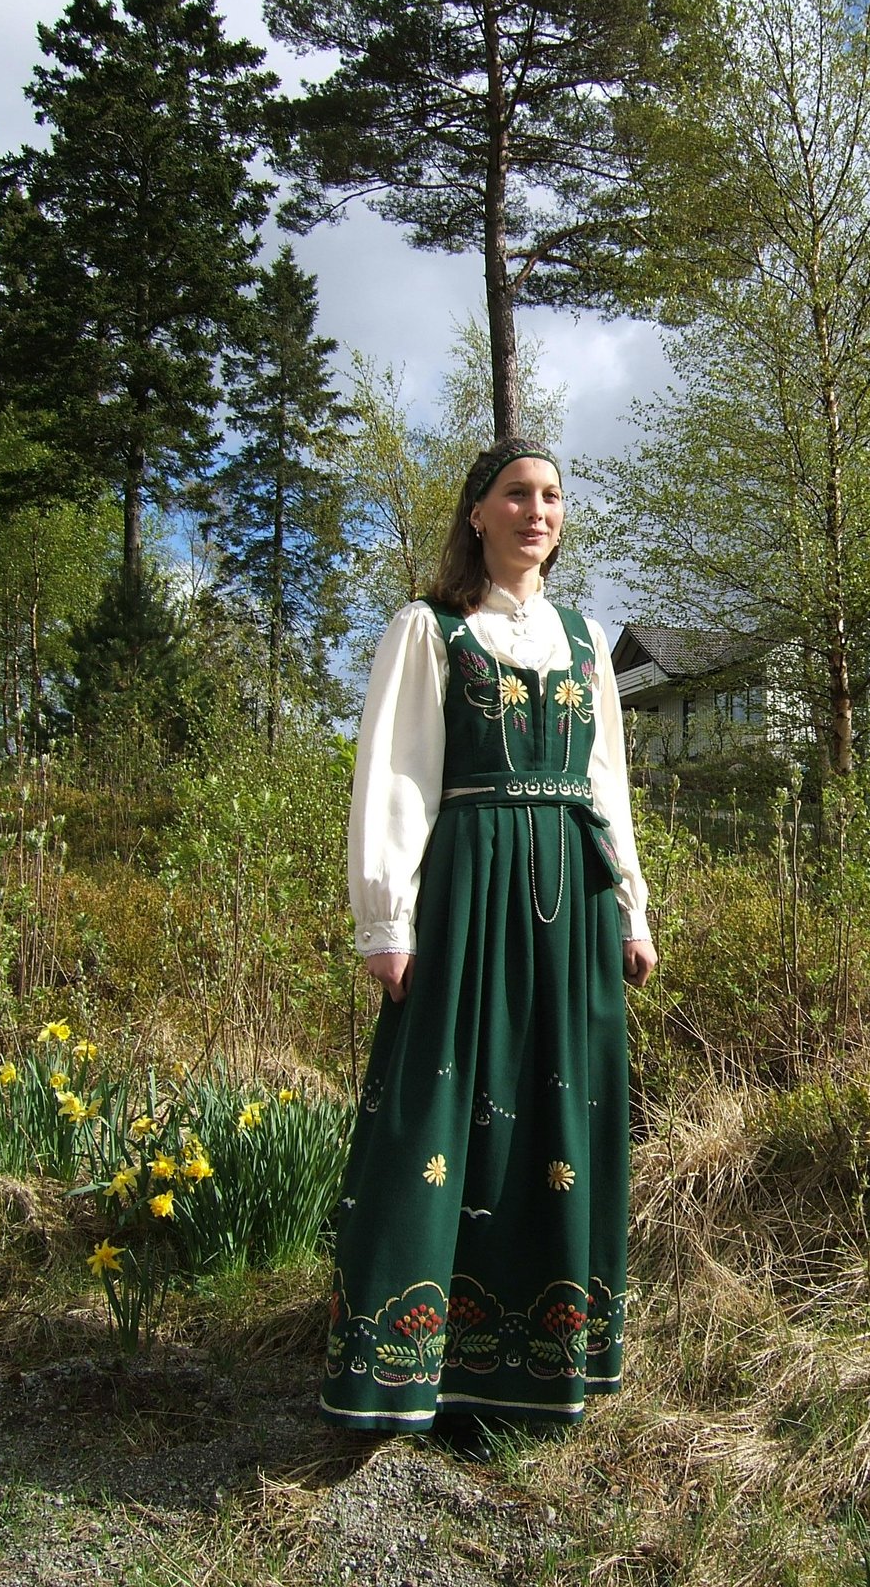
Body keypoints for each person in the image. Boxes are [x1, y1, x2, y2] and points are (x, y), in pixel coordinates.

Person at [320, 436, 657, 1455]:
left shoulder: (585, 641)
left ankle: (537, 1369)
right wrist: (388, 918)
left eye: (551, 495)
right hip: (468, 891)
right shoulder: (430, 631)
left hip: (571, 894)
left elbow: (605, 786)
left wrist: (632, 906)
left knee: (560, 1111)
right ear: (477, 513)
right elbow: (396, 777)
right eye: (516, 494)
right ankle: (411, 1370)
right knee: (440, 1101)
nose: (536, 511)